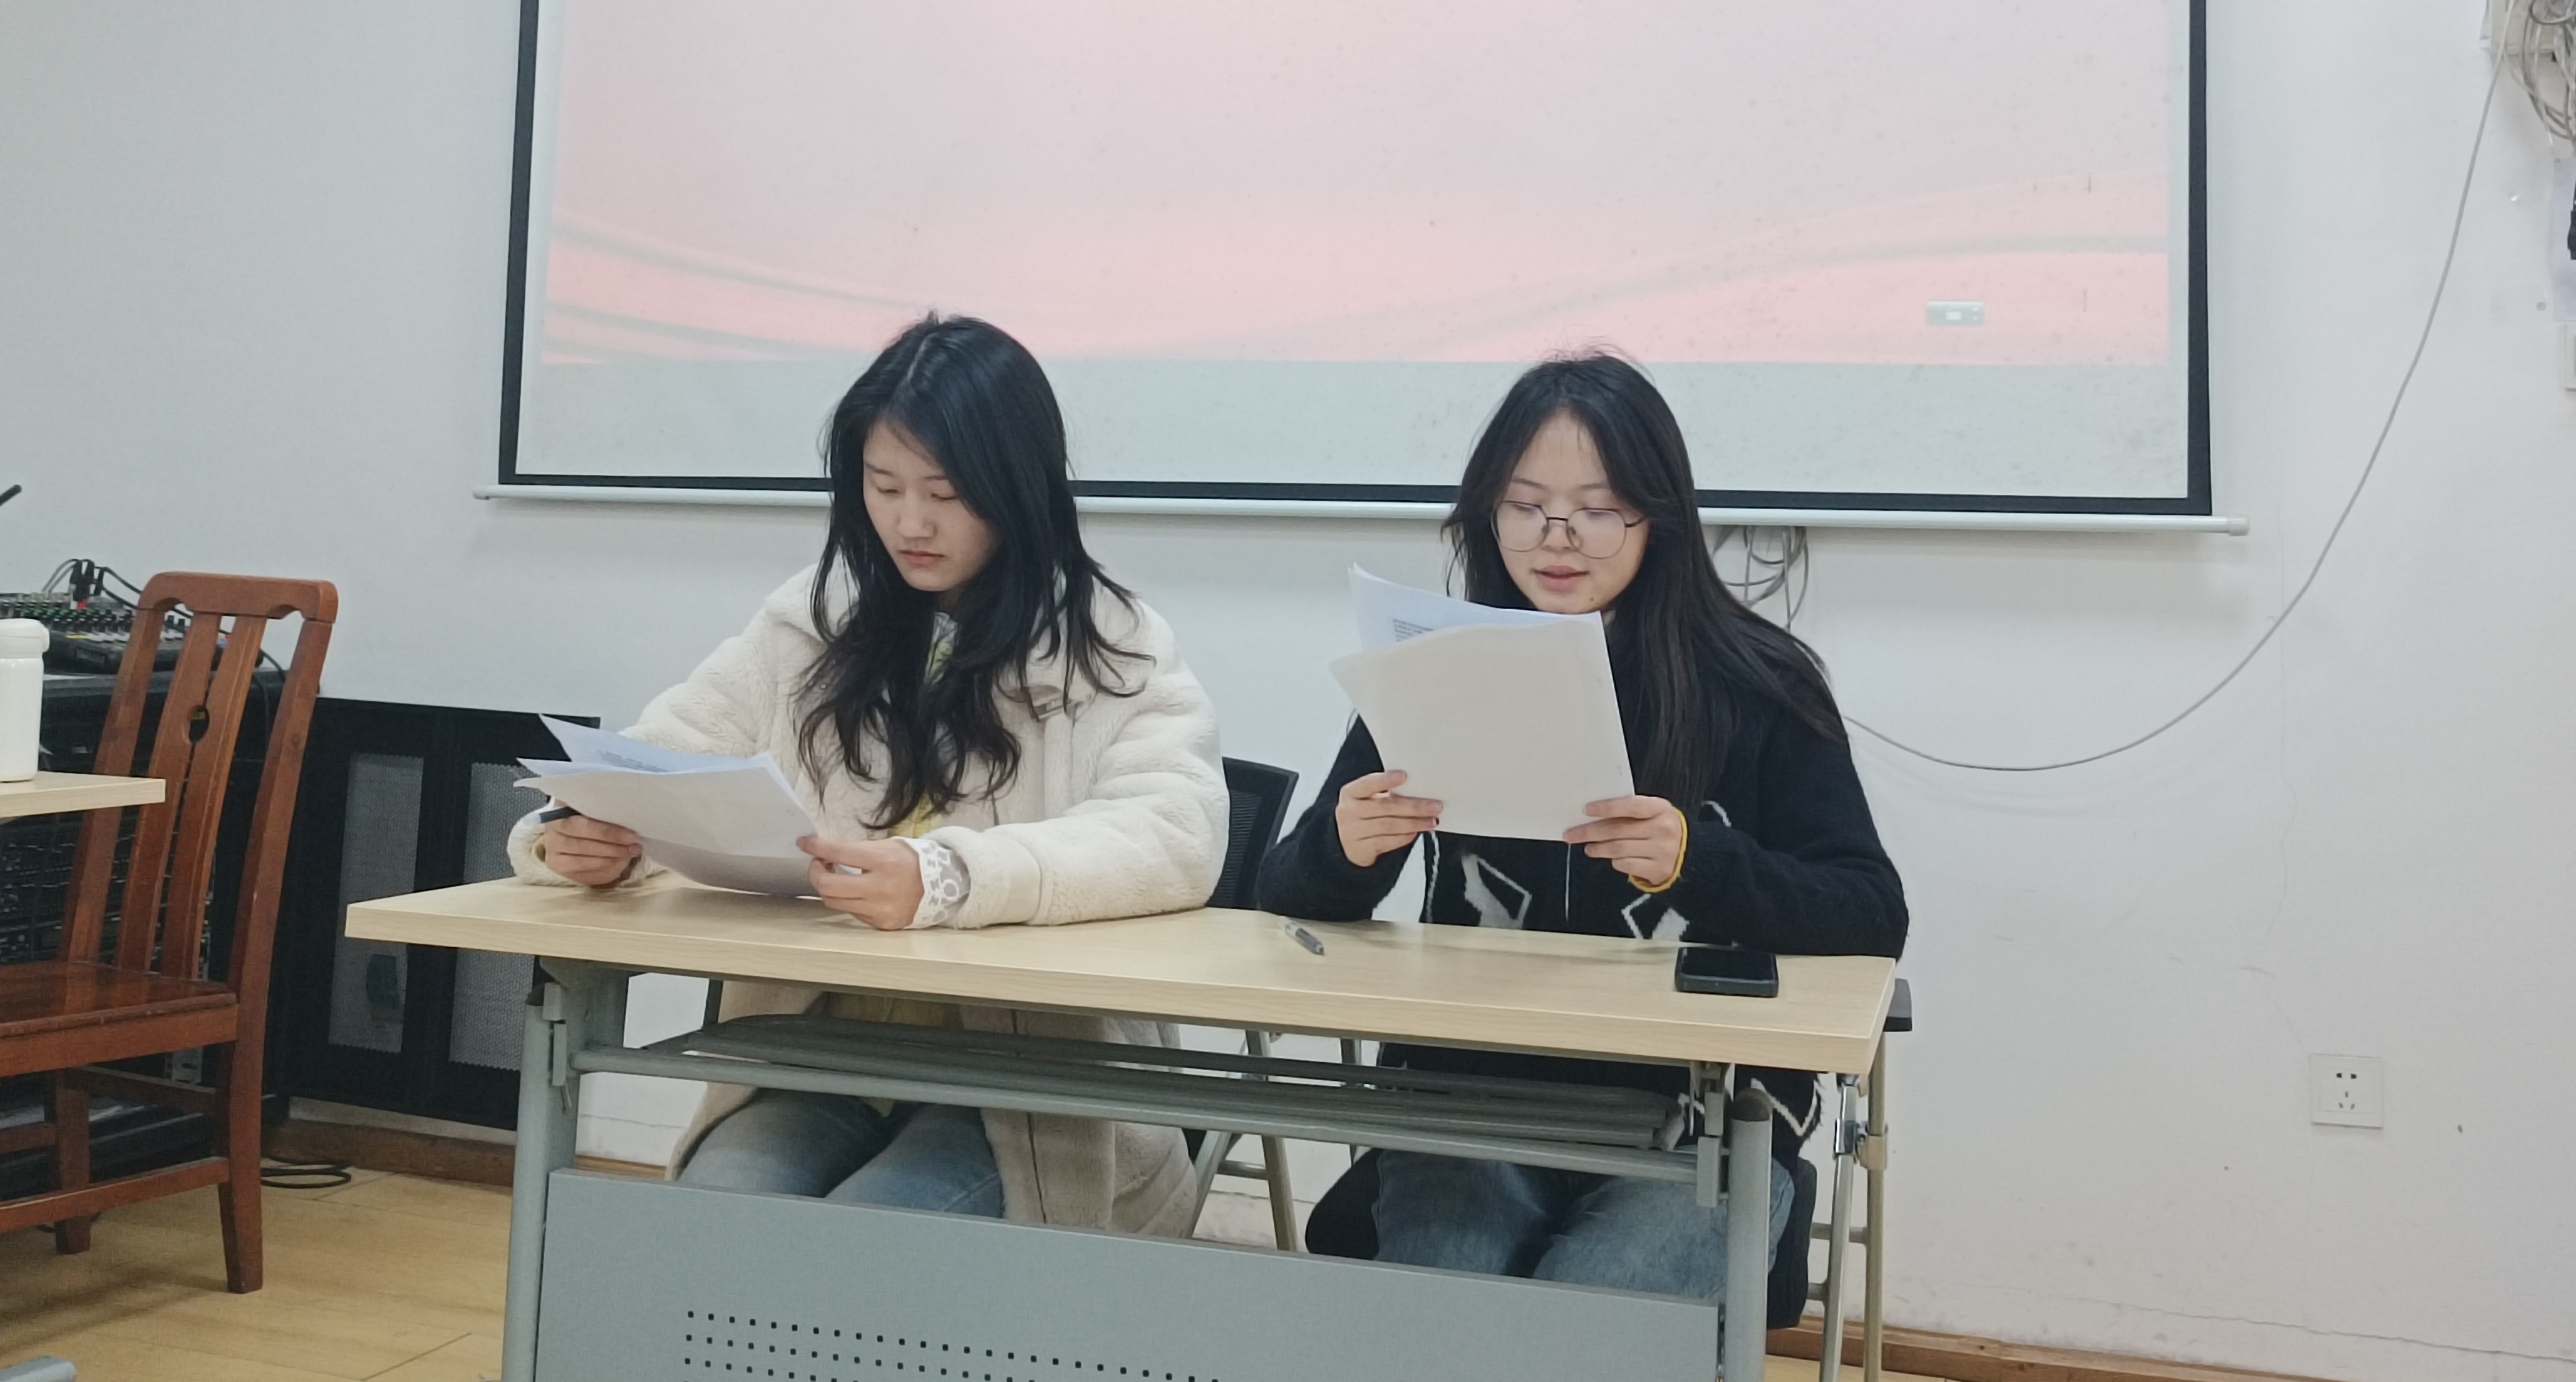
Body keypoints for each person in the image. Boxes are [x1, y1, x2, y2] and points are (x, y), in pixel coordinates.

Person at [511, 314, 1228, 1234]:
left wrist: (951, 877)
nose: (909, 522)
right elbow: (664, 757)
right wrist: (587, 836)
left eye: (945, 493)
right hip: (818, 1056)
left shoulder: (1107, 643)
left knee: (864, 1239)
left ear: (1018, 487)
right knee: (708, 1223)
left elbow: (1174, 833)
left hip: (1024, 1093)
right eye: (883, 486)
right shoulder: (815, 621)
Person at [1256, 351, 1905, 1296]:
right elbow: (1288, 891)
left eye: (1597, 510)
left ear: (1658, 518)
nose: (1557, 539)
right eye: (1525, 507)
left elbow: (1870, 912)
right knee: (1449, 1286)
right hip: (1474, 1094)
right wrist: (1343, 847)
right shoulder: (1440, 664)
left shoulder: (1756, 684)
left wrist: (1697, 859)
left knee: (1594, 1306)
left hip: (1704, 1114)